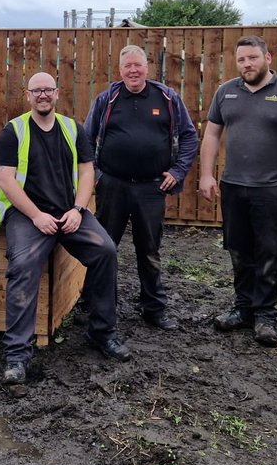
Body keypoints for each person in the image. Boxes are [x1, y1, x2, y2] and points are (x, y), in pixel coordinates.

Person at [0, 72, 131, 387]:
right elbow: (5, 179)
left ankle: (102, 333)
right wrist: (36, 215)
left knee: (105, 250)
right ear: (27, 95)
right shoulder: (13, 131)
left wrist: (78, 209)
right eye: (36, 91)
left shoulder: (72, 129)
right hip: (28, 216)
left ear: (57, 93)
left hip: (69, 213)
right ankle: (17, 355)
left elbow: (87, 172)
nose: (43, 95)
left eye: (48, 90)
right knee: (24, 266)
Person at [198, 35, 277, 347]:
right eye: (242, 60)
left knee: (268, 252)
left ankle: (265, 315)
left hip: (273, 189)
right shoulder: (226, 93)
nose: (247, 64)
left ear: (268, 57)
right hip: (234, 186)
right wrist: (207, 174)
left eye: (253, 58)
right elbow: (211, 135)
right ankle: (243, 308)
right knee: (238, 249)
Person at [83, 45, 198, 330]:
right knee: (105, 247)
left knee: (149, 249)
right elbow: (86, 138)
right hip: (113, 186)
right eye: (127, 66)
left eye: (137, 65)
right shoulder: (107, 99)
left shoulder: (167, 98)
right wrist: (95, 174)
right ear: (119, 70)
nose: (133, 71)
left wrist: (178, 170)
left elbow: (189, 137)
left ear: (147, 67)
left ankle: (154, 308)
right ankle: (98, 304)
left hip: (152, 189)